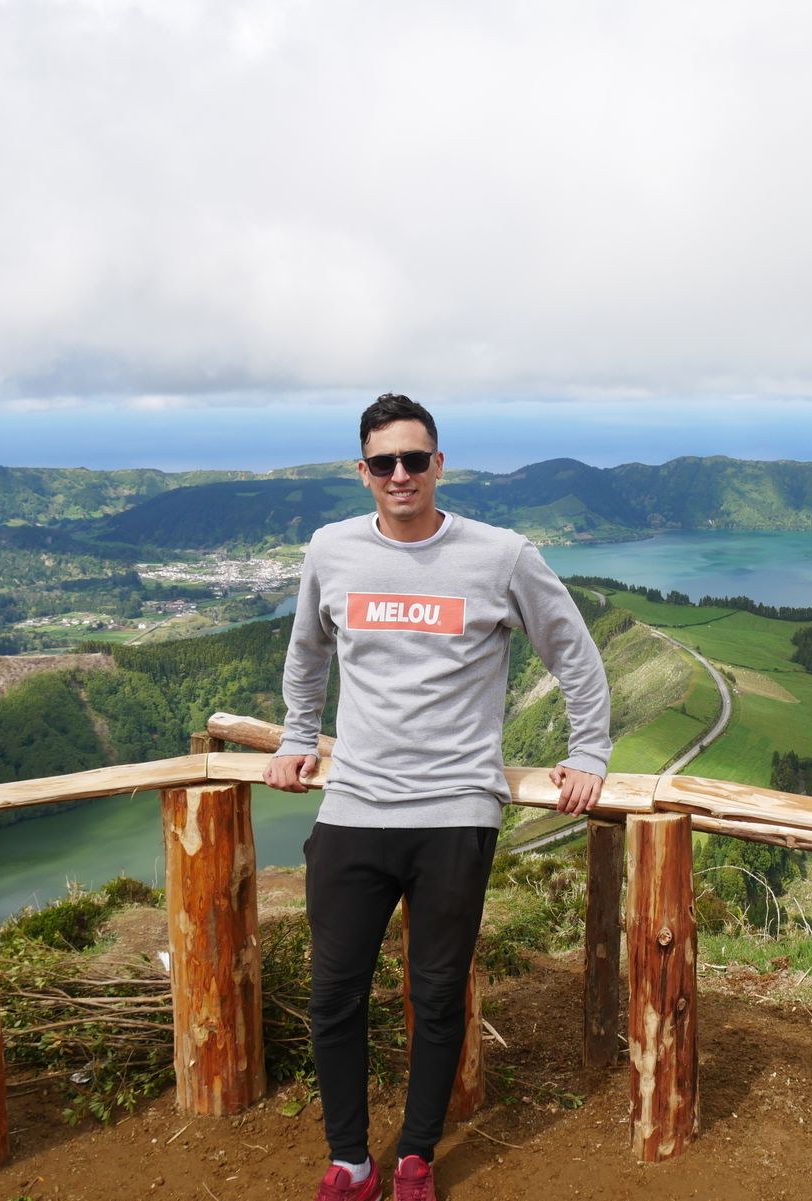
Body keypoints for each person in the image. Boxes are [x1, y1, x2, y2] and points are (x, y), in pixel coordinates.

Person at [265, 393, 611, 1201]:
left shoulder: (501, 555)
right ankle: (350, 1158)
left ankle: (416, 1154)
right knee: (334, 991)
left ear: (438, 465)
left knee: (435, 990)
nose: (399, 475)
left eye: (414, 459)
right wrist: (293, 735)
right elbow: (306, 654)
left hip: (456, 809)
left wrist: (588, 751)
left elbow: (574, 651)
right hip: (352, 805)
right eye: (383, 462)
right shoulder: (331, 550)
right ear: (362, 471)